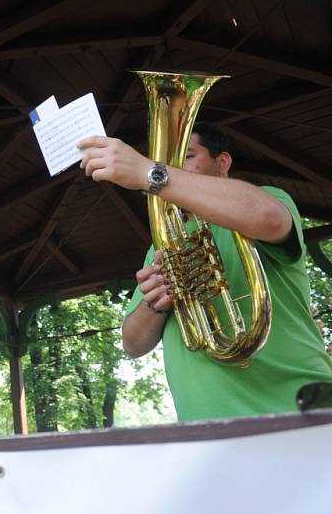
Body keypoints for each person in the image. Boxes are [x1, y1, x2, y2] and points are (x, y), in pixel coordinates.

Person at [78, 122, 332, 421]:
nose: (170, 167)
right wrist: (153, 304)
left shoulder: (267, 197)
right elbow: (133, 344)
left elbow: (269, 218)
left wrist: (150, 172)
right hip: (205, 427)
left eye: (186, 156)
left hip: (297, 410)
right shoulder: (162, 244)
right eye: (164, 161)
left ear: (222, 162)